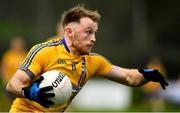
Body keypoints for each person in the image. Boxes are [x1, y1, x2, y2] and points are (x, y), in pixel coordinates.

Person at [6, 4, 168, 112]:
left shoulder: (93, 62)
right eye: (88, 32)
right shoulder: (44, 51)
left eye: (95, 33)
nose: (93, 39)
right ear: (69, 32)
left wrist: (147, 74)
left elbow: (130, 77)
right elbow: (12, 85)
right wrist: (29, 93)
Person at [0, 36, 27, 111]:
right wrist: (4, 80)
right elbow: (3, 68)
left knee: (20, 102)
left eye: (20, 45)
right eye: (16, 45)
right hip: (9, 82)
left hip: (21, 84)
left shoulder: (25, 55)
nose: (18, 46)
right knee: (7, 102)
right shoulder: (8, 55)